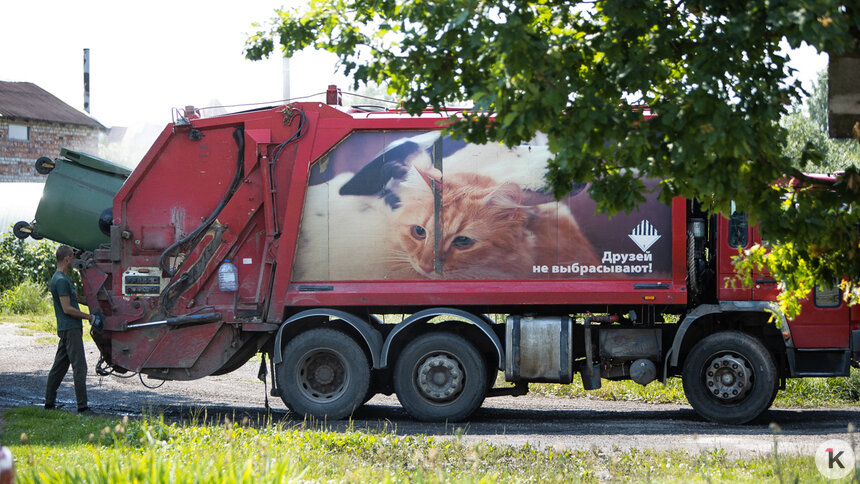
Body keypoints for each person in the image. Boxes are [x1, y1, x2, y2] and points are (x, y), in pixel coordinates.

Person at [44, 245, 94, 413]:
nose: (74, 260)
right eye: (72, 257)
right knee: (80, 367)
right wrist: (88, 317)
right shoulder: (60, 280)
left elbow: (75, 299)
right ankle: (83, 407)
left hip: (68, 328)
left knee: (59, 367)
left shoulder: (63, 278)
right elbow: (67, 308)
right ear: (66, 259)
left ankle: (49, 404)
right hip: (70, 329)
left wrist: (92, 303)